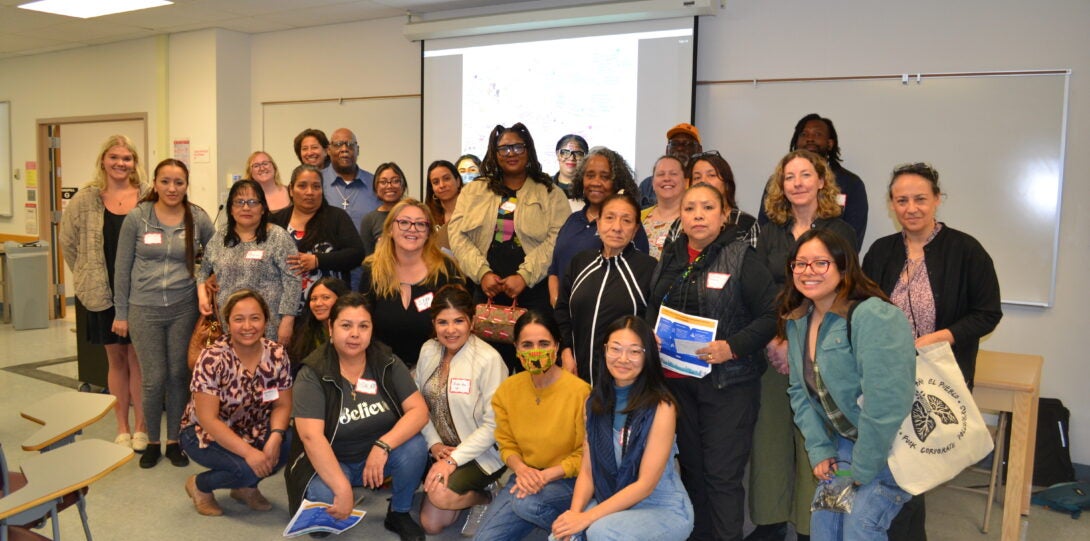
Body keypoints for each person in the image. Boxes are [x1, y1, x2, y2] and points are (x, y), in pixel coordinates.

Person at [861, 163, 1002, 540]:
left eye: (920, 199)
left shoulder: (966, 250)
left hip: (938, 377)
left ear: (937, 200)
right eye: (902, 200)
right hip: (888, 375)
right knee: (891, 464)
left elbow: (988, 313)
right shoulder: (880, 251)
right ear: (892, 205)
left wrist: (943, 336)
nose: (912, 208)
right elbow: (861, 307)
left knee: (913, 465)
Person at [646, 183, 778, 541]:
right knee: (693, 471)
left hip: (727, 385)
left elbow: (771, 316)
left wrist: (732, 347)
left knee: (721, 476)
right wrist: (649, 334)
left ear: (724, 216)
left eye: (707, 208)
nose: (698, 215)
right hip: (676, 383)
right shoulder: (671, 255)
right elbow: (651, 308)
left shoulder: (742, 258)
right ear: (681, 216)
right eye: (690, 209)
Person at [747, 149, 857, 541]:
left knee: (817, 435)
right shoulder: (770, 230)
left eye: (805, 175)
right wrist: (777, 337)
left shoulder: (839, 231)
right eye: (789, 176)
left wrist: (800, 335)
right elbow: (762, 286)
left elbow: (842, 288)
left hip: (820, 343)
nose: (797, 183)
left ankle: (814, 525)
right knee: (770, 434)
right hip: (775, 345)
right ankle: (770, 519)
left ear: (821, 181)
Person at [780, 228, 915, 541]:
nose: (807, 272)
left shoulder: (874, 315)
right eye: (799, 264)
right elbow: (800, 392)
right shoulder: (799, 319)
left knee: (860, 529)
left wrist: (863, 469)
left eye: (820, 263)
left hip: (888, 445)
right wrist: (819, 449)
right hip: (844, 443)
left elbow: (886, 403)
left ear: (843, 268)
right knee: (825, 526)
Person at [285, 292, 429, 541]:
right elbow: (311, 438)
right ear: (331, 327)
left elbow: (419, 411)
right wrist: (342, 488)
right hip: (332, 459)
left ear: (372, 329)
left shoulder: (386, 361)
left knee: (415, 446)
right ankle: (338, 491)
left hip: (376, 456)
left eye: (363, 326)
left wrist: (383, 445)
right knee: (323, 521)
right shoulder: (312, 373)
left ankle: (399, 511)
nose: (355, 334)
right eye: (346, 325)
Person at [550, 316, 694, 541]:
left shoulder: (662, 406)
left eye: (635, 351)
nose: (623, 359)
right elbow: (588, 471)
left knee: (600, 532)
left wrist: (586, 519)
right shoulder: (593, 402)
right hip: (613, 498)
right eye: (615, 349)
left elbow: (645, 485)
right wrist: (574, 515)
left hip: (660, 507)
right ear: (605, 351)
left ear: (647, 356)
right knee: (561, 536)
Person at [113, 158, 214, 469]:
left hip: (183, 307)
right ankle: (153, 441)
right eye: (166, 181)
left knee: (177, 375)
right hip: (144, 308)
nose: (172, 188)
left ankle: (175, 441)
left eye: (179, 182)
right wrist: (121, 312)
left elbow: (215, 252)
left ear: (186, 185)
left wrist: (206, 281)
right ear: (155, 184)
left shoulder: (197, 217)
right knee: (153, 378)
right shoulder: (138, 218)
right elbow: (122, 268)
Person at [447, 123, 570, 371]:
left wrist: (524, 275)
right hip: (487, 291)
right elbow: (457, 234)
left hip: (534, 291)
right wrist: (482, 273)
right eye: (503, 148)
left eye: (517, 147)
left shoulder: (550, 193)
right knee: (487, 369)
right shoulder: (474, 191)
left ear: (529, 151)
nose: (511, 153)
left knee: (535, 367)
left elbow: (557, 239)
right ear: (494, 153)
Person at [59, 134, 148, 451]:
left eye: (127, 158)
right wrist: (85, 273)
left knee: (138, 360)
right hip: (101, 293)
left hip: (139, 294)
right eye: (115, 157)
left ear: (134, 163)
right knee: (116, 360)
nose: (121, 163)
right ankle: (121, 426)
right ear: (103, 161)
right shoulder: (86, 199)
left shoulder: (147, 197)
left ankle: (141, 427)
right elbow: (67, 242)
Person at [473, 310, 591, 540]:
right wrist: (522, 470)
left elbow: (586, 455)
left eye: (544, 343)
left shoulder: (580, 392)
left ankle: (577, 532)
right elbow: (506, 444)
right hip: (525, 476)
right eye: (527, 345)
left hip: (569, 480)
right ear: (516, 348)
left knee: (525, 504)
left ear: (557, 346)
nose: (536, 351)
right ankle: (549, 520)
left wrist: (546, 476)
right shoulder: (508, 390)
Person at [179, 289, 293, 516]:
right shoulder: (212, 358)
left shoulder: (277, 354)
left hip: (253, 427)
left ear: (265, 320)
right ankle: (200, 485)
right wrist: (250, 454)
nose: (247, 326)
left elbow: (282, 404)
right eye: (239, 319)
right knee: (249, 467)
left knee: (289, 443)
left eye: (255, 318)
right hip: (203, 433)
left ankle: (245, 488)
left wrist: (276, 436)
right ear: (227, 322)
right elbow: (208, 419)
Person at [414, 285, 508, 536]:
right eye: (442, 322)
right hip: (440, 448)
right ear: (434, 323)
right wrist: (434, 444)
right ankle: (459, 490)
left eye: (459, 321)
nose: (451, 330)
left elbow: (494, 426)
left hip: (480, 452)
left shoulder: (489, 360)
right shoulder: (428, 350)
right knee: (431, 525)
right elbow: (418, 406)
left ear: (472, 322)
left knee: (440, 496)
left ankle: (486, 497)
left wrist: (452, 461)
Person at [555, 194, 657, 384]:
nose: (617, 227)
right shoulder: (580, 262)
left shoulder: (649, 269)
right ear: (598, 222)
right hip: (577, 375)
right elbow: (562, 312)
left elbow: (652, 326)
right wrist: (566, 352)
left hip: (624, 382)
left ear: (635, 230)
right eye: (609, 218)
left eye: (626, 220)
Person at [359, 199, 465, 371]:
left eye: (420, 224)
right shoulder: (373, 271)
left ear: (429, 232)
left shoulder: (446, 270)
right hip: (383, 370)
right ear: (390, 229)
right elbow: (363, 324)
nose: (412, 229)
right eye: (404, 222)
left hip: (437, 370)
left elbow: (462, 324)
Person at [198, 179, 301, 344]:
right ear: (231, 209)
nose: (246, 207)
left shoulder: (278, 237)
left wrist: (288, 321)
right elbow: (203, 271)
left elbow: (293, 280)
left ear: (262, 208)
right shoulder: (220, 237)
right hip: (228, 328)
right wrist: (203, 295)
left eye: (253, 202)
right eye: (239, 202)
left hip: (269, 327)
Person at [547, 146, 647, 306]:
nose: (596, 183)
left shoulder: (627, 226)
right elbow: (554, 269)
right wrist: (558, 303)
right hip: (562, 318)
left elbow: (636, 278)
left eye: (605, 177)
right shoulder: (572, 220)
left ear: (617, 182)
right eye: (590, 175)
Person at [758, 114, 869, 249]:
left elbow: (852, 239)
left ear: (830, 143)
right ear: (796, 142)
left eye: (817, 134)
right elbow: (764, 224)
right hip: (779, 258)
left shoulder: (851, 183)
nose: (810, 139)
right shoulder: (776, 181)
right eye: (804, 134)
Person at [269, 164, 364, 306]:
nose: (310, 192)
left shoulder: (336, 217)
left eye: (316, 187)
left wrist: (318, 260)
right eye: (302, 186)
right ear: (291, 190)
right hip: (284, 308)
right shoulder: (276, 221)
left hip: (330, 308)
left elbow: (356, 254)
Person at [687, 150, 760, 247]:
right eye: (697, 177)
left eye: (711, 175)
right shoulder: (681, 222)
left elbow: (753, 261)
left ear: (727, 184)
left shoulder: (746, 224)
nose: (703, 181)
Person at [324, 128, 380, 233]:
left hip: (367, 249)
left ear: (357, 150)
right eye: (338, 144)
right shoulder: (317, 181)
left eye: (350, 144)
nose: (344, 149)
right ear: (329, 151)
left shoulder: (375, 183)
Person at [288, 277, 350, 369]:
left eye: (326, 297)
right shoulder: (302, 334)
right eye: (313, 298)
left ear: (341, 300)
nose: (318, 303)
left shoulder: (353, 333)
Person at [637, 123, 702, 209]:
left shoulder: (703, 183)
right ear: (667, 150)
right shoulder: (648, 185)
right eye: (674, 144)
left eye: (687, 144)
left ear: (699, 150)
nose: (680, 148)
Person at [641, 155, 685, 259]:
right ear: (652, 182)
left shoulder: (693, 219)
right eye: (660, 174)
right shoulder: (638, 217)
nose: (667, 178)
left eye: (673, 174)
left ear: (685, 181)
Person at [359, 162, 407, 257]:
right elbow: (368, 260)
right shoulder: (369, 219)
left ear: (403, 185)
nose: (389, 186)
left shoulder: (415, 215)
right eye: (383, 182)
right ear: (376, 187)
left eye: (395, 181)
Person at [425, 159, 463, 255]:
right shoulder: (428, 217)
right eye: (436, 182)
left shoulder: (472, 212)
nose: (442, 185)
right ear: (432, 189)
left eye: (446, 179)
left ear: (457, 181)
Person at [552, 134, 589, 202]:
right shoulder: (545, 185)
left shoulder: (590, 187)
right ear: (557, 154)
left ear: (586, 158)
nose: (571, 158)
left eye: (578, 154)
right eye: (565, 153)